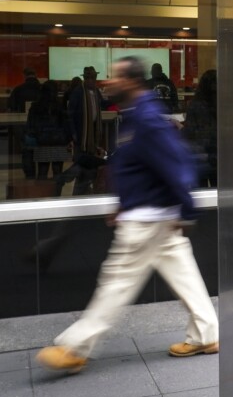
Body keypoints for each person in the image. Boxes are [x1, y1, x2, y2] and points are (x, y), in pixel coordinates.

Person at [36, 56, 219, 373]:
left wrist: (184, 209)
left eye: (116, 77)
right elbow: (137, 166)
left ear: (131, 82)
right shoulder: (137, 116)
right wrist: (123, 202)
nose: (109, 82)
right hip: (152, 214)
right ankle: (207, 334)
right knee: (183, 274)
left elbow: (176, 166)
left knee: (117, 282)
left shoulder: (146, 119)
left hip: (148, 219)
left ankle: (74, 347)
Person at [65, 66, 106, 195]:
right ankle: (78, 194)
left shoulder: (96, 91)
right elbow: (70, 114)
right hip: (81, 135)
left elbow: (102, 104)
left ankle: (87, 193)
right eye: (88, 77)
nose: (90, 80)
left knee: (91, 168)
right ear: (84, 78)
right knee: (81, 167)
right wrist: (73, 134)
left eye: (93, 77)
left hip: (92, 135)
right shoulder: (78, 92)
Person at [27, 81, 69, 181]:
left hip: (42, 142)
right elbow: (65, 124)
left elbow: (31, 125)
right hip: (58, 142)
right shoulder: (59, 106)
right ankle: (56, 194)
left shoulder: (35, 107)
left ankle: (42, 193)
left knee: (42, 171)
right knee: (58, 172)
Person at [183, 69, 217, 187]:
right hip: (218, 156)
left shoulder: (195, 105)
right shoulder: (223, 105)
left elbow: (190, 132)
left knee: (201, 194)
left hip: (200, 156)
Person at [8, 67, 42, 178]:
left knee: (27, 150)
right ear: (35, 75)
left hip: (24, 124)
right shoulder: (42, 89)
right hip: (41, 125)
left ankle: (29, 175)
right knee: (41, 150)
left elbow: (11, 107)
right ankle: (42, 175)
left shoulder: (18, 90)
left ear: (24, 76)